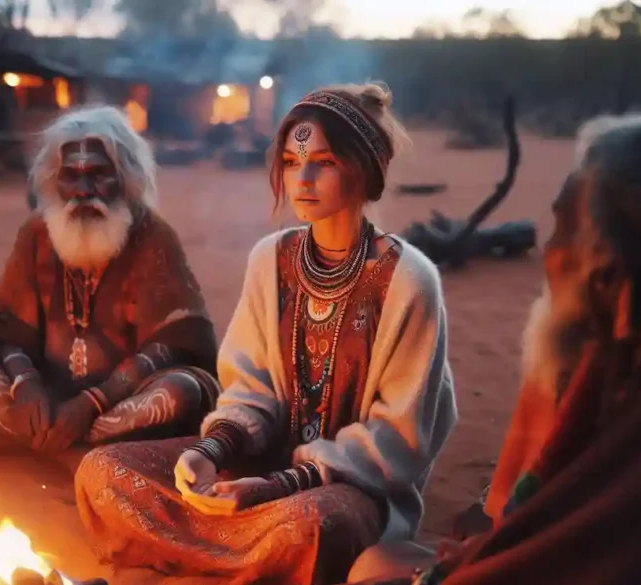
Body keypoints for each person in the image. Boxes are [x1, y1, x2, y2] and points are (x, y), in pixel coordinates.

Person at [74, 83, 458, 584]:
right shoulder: (270, 260)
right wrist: (210, 452)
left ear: (363, 169)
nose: (304, 178)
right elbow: (249, 386)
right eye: (292, 163)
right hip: (251, 470)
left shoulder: (409, 280)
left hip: (344, 492)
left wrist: (279, 485)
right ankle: (242, 561)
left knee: (311, 528)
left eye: (323, 161)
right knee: (102, 474)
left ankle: (196, 555)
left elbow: (397, 440)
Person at [346, 107, 641, 585]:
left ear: (617, 283)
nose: (550, 255)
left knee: (376, 568)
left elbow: (568, 548)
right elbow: (541, 498)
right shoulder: (605, 365)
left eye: (571, 232)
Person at [0, 105, 219, 455]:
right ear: (54, 180)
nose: (82, 189)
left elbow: (175, 341)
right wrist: (26, 383)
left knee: (178, 393)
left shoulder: (152, 235)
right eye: (70, 176)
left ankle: (32, 442)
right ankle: (69, 450)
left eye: (98, 174)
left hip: (120, 398)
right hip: (48, 393)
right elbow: (8, 327)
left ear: (124, 177)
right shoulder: (36, 232)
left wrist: (93, 401)